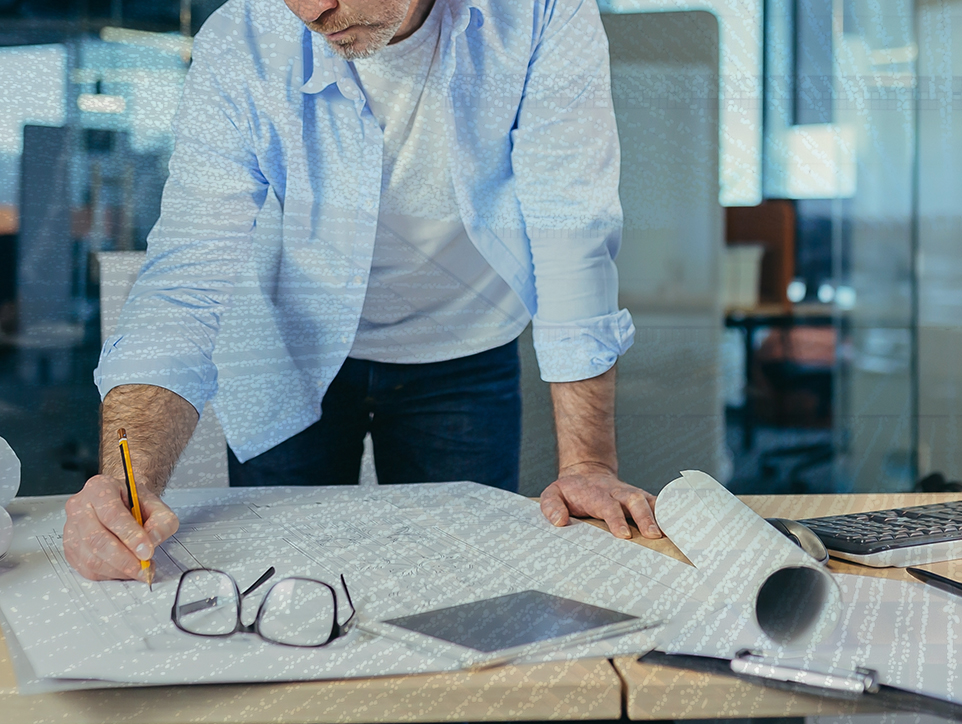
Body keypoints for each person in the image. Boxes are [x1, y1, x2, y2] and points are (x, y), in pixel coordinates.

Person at [63, 0, 663, 583]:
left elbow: (570, 229)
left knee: (466, 582)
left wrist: (587, 465)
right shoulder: (239, 39)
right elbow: (185, 276)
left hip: (463, 348)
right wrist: (127, 486)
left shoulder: (541, 11)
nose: (309, 9)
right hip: (288, 346)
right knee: (277, 585)